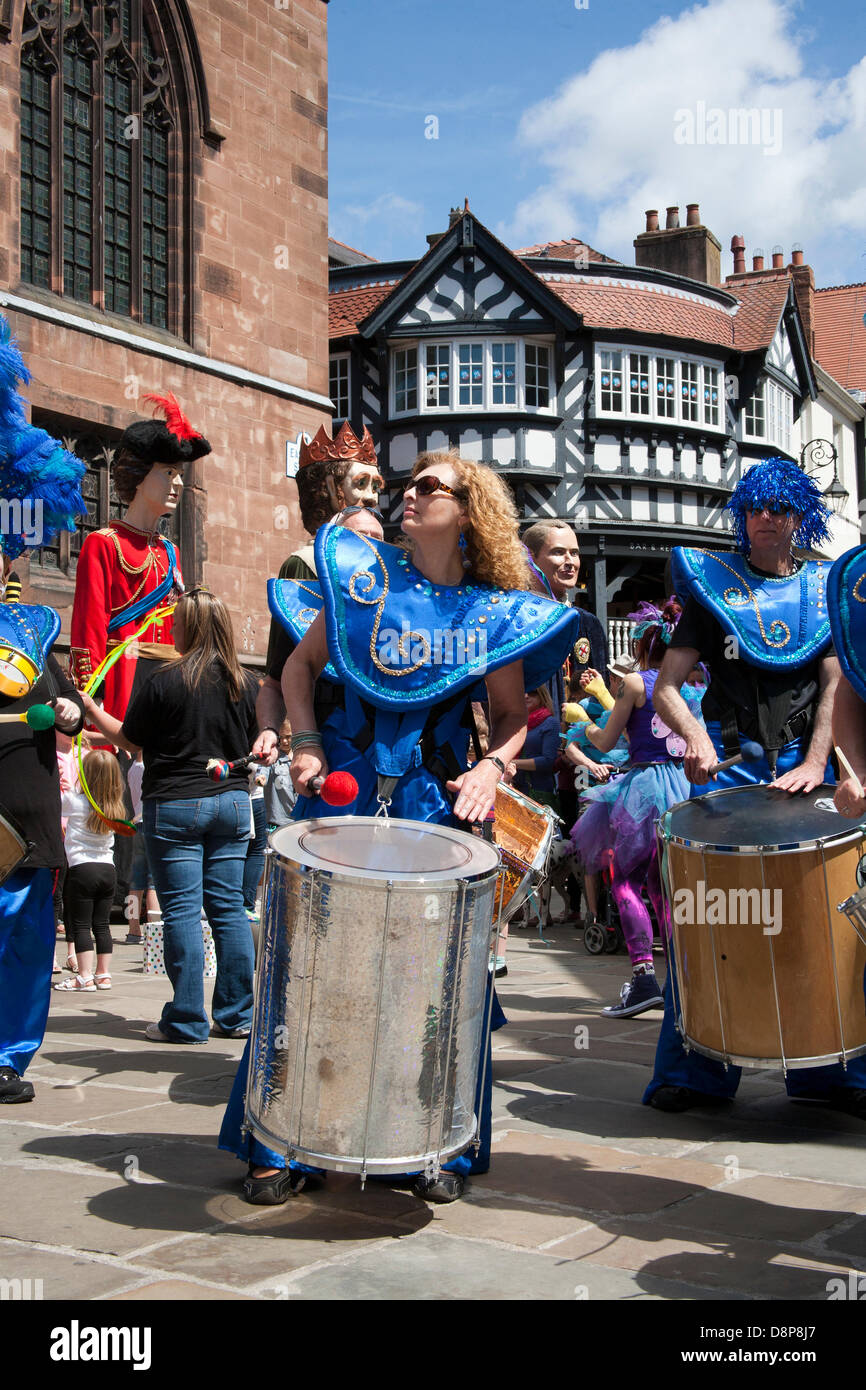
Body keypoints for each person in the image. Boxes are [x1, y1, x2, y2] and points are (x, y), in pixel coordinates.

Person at [222, 449, 581, 1204]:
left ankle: (429, 1142)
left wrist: (493, 768)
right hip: (342, 801)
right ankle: (280, 1141)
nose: (408, 495)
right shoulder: (364, 580)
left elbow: (514, 716)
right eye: (408, 485)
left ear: (468, 509)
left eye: (429, 487)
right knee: (310, 965)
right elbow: (296, 669)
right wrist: (308, 742)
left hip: (432, 808)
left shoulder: (491, 608)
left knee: (430, 980)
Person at [646, 457, 866, 1116]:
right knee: (710, 918)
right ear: (743, 516)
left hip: (811, 770)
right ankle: (694, 1072)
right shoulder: (714, 590)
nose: (767, 519)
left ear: (803, 516)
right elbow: (667, 689)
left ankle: (833, 1071)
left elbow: (838, 685)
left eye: (781, 508)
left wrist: (818, 761)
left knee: (819, 920)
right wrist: (700, 741)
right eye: (756, 508)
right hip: (734, 770)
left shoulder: (827, 587)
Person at [81, 589, 260, 1045]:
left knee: (181, 909)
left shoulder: (165, 680)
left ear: (191, 628)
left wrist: (90, 707)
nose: (173, 629)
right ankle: (237, 1015)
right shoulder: (248, 683)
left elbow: (130, 740)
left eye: (178, 623)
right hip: (233, 803)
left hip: (177, 803)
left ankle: (185, 1019)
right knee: (229, 909)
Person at [0, 318, 86, 1102]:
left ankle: (8, 1055)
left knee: (25, 937)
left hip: (24, 812)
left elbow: (66, 704)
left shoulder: (32, 625)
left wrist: (66, 716)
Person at [572, 600, 701, 1017]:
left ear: (643, 647)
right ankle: (686, 981)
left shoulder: (634, 683)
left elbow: (607, 743)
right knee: (671, 885)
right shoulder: (698, 684)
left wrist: (581, 722)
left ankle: (644, 979)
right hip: (687, 790)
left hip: (642, 788)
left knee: (626, 880)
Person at [262, 424, 384, 687]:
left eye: (376, 487)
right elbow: (285, 660)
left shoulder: (387, 564)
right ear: (330, 488)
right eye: (361, 484)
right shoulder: (305, 563)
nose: (372, 498)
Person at [53, 750, 125, 993]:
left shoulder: (75, 800)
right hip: (108, 869)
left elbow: (55, 808)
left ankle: (84, 977)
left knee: (82, 924)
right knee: (102, 925)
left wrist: (60, 785)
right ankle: (103, 974)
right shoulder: (116, 808)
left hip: (81, 868)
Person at [511, 687, 560, 808]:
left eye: (532, 692)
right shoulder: (516, 722)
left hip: (537, 790)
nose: (526, 695)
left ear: (541, 695)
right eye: (522, 692)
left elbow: (548, 761)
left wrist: (512, 763)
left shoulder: (550, 723)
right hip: (515, 788)